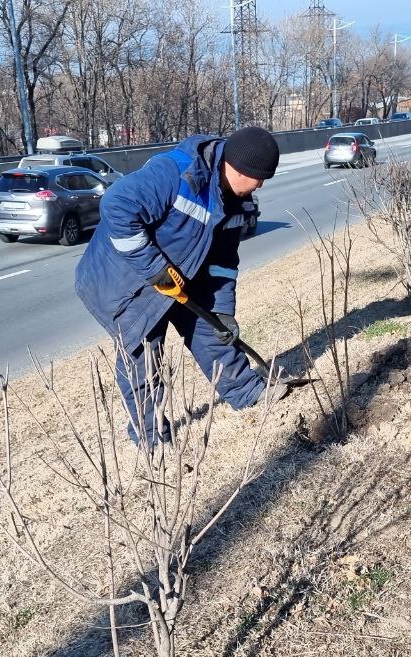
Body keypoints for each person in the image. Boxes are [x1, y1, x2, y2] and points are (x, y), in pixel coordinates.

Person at [74, 126, 282, 445]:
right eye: (256, 179)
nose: (260, 186)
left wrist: (223, 313)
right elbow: (117, 207)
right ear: (235, 167)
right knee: (144, 354)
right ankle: (150, 435)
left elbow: (223, 263)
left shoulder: (238, 203)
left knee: (212, 330)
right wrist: (156, 270)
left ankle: (247, 392)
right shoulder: (176, 173)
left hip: (183, 273)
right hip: (125, 280)